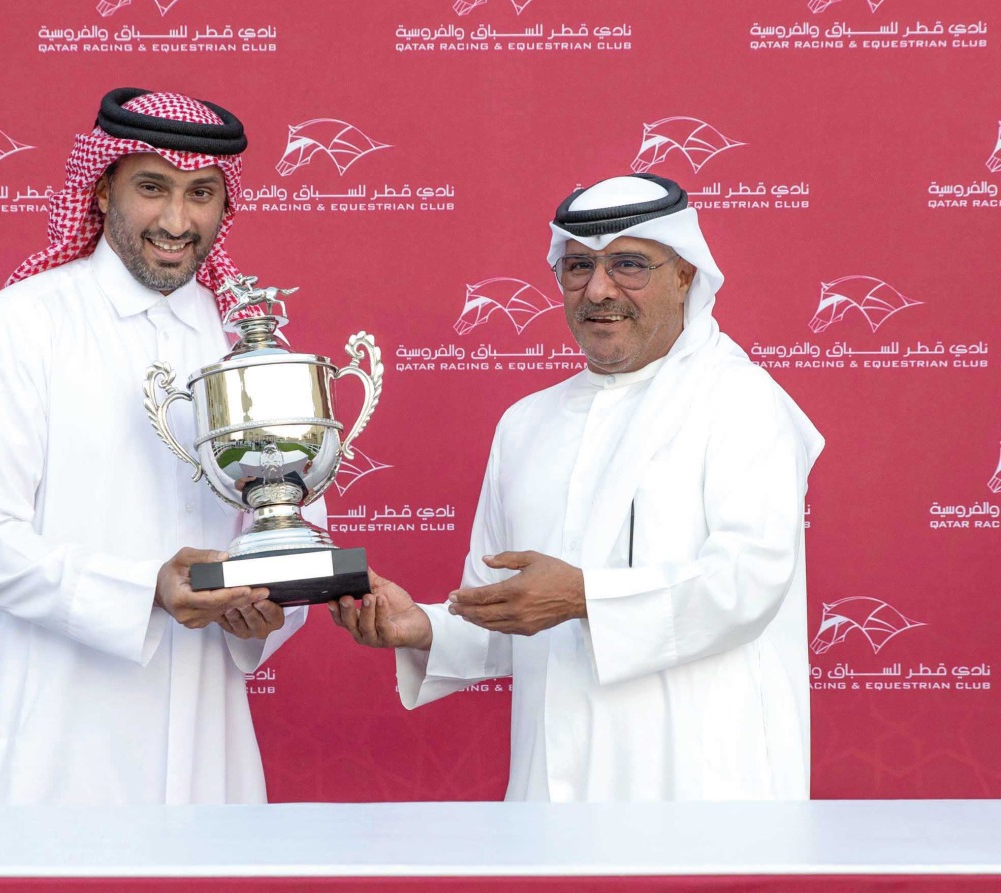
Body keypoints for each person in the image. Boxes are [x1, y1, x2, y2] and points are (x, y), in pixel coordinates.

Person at [330, 173, 822, 802]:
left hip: (704, 785)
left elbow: (746, 583)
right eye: (578, 266)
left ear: (685, 275)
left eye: (629, 265)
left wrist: (583, 597)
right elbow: (510, 611)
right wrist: (423, 626)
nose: (599, 289)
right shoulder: (526, 424)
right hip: (553, 789)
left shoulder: (741, 402)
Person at [0, 87, 308, 805]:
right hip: (46, 746)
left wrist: (268, 604)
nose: (176, 220)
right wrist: (149, 590)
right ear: (101, 190)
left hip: (203, 747)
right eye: (152, 188)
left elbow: (263, 521)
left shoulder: (234, 340)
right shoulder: (17, 327)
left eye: (201, 194)